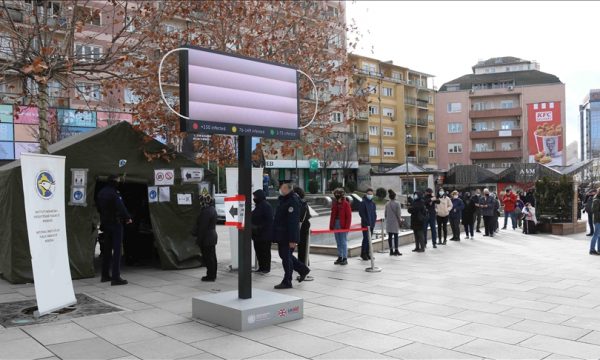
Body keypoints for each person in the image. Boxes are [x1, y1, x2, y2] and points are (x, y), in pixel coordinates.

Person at [96, 175, 132, 286]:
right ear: (114, 182)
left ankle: (105, 275)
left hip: (105, 223)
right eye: (118, 181)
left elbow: (98, 208)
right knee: (117, 250)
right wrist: (127, 217)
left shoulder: (101, 192)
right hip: (116, 223)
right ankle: (116, 277)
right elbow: (120, 206)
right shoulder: (114, 193)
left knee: (106, 250)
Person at [273, 182, 310, 289]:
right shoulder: (284, 199)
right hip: (282, 234)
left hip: (288, 235)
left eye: (283, 187)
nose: (281, 189)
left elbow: (293, 222)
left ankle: (287, 281)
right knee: (285, 255)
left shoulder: (293, 201)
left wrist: (293, 239)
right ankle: (303, 269)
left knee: (286, 258)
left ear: (288, 189)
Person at [192, 194, 218, 282]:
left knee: (208, 257)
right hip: (211, 236)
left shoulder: (206, 211)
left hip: (207, 237)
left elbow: (202, 227)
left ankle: (210, 276)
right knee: (212, 257)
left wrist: (199, 240)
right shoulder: (212, 209)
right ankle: (213, 274)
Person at [251, 189, 273, 274]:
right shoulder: (258, 205)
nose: (254, 198)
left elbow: (269, 221)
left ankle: (266, 268)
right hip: (257, 234)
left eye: (255, 196)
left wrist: (258, 227)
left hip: (264, 234)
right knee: (259, 251)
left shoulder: (266, 206)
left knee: (265, 252)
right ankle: (261, 267)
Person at [330, 188, 352, 265]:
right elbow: (332, 215)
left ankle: (345, 258)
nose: (336, 195)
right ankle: (340, 257)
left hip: (343, 224)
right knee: (338, 242)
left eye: (337, 194)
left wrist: (346, 227)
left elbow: (349, 217)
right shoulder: (335, 203)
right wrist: (331, 225)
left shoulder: (346, 204)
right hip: (336, 223)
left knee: (343, 242)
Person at [294, 187, 312, 267]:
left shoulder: (301, 203)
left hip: (302, 227)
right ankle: (303, 262)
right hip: (304, 226)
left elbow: (301, 218)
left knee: (303, 247)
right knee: (302, 247)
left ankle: (303, 263)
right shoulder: (302, 202)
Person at [358, 188, 377, 260]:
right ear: (366, 194)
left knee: (369, 239)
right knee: (365, 239)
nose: (370, 195)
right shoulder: (363, 202)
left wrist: (373, 221)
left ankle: (368, 253)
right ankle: (363, 253)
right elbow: (361, 213)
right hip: (366, 225)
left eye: (371, 194)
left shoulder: (373, 203)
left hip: (372, 224)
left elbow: (374, 213)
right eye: (369, 194)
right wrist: (366, 222)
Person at [384, 189, 402, 256]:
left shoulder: (387, 204)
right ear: (395, 196)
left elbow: (385, 214)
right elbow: (398, 214)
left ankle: (391, 250)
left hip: (389, 222)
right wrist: (399, 220)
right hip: (395, 222)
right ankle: (396, 250)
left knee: (390, 237)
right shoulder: (397, 203)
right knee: (396, 236)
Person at [590, 189, 600, 255]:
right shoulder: (596, 200)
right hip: (597, 220)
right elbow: (594, 210)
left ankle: (599, 249)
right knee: (596, 234)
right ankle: (592, 250)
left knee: (599, 235)